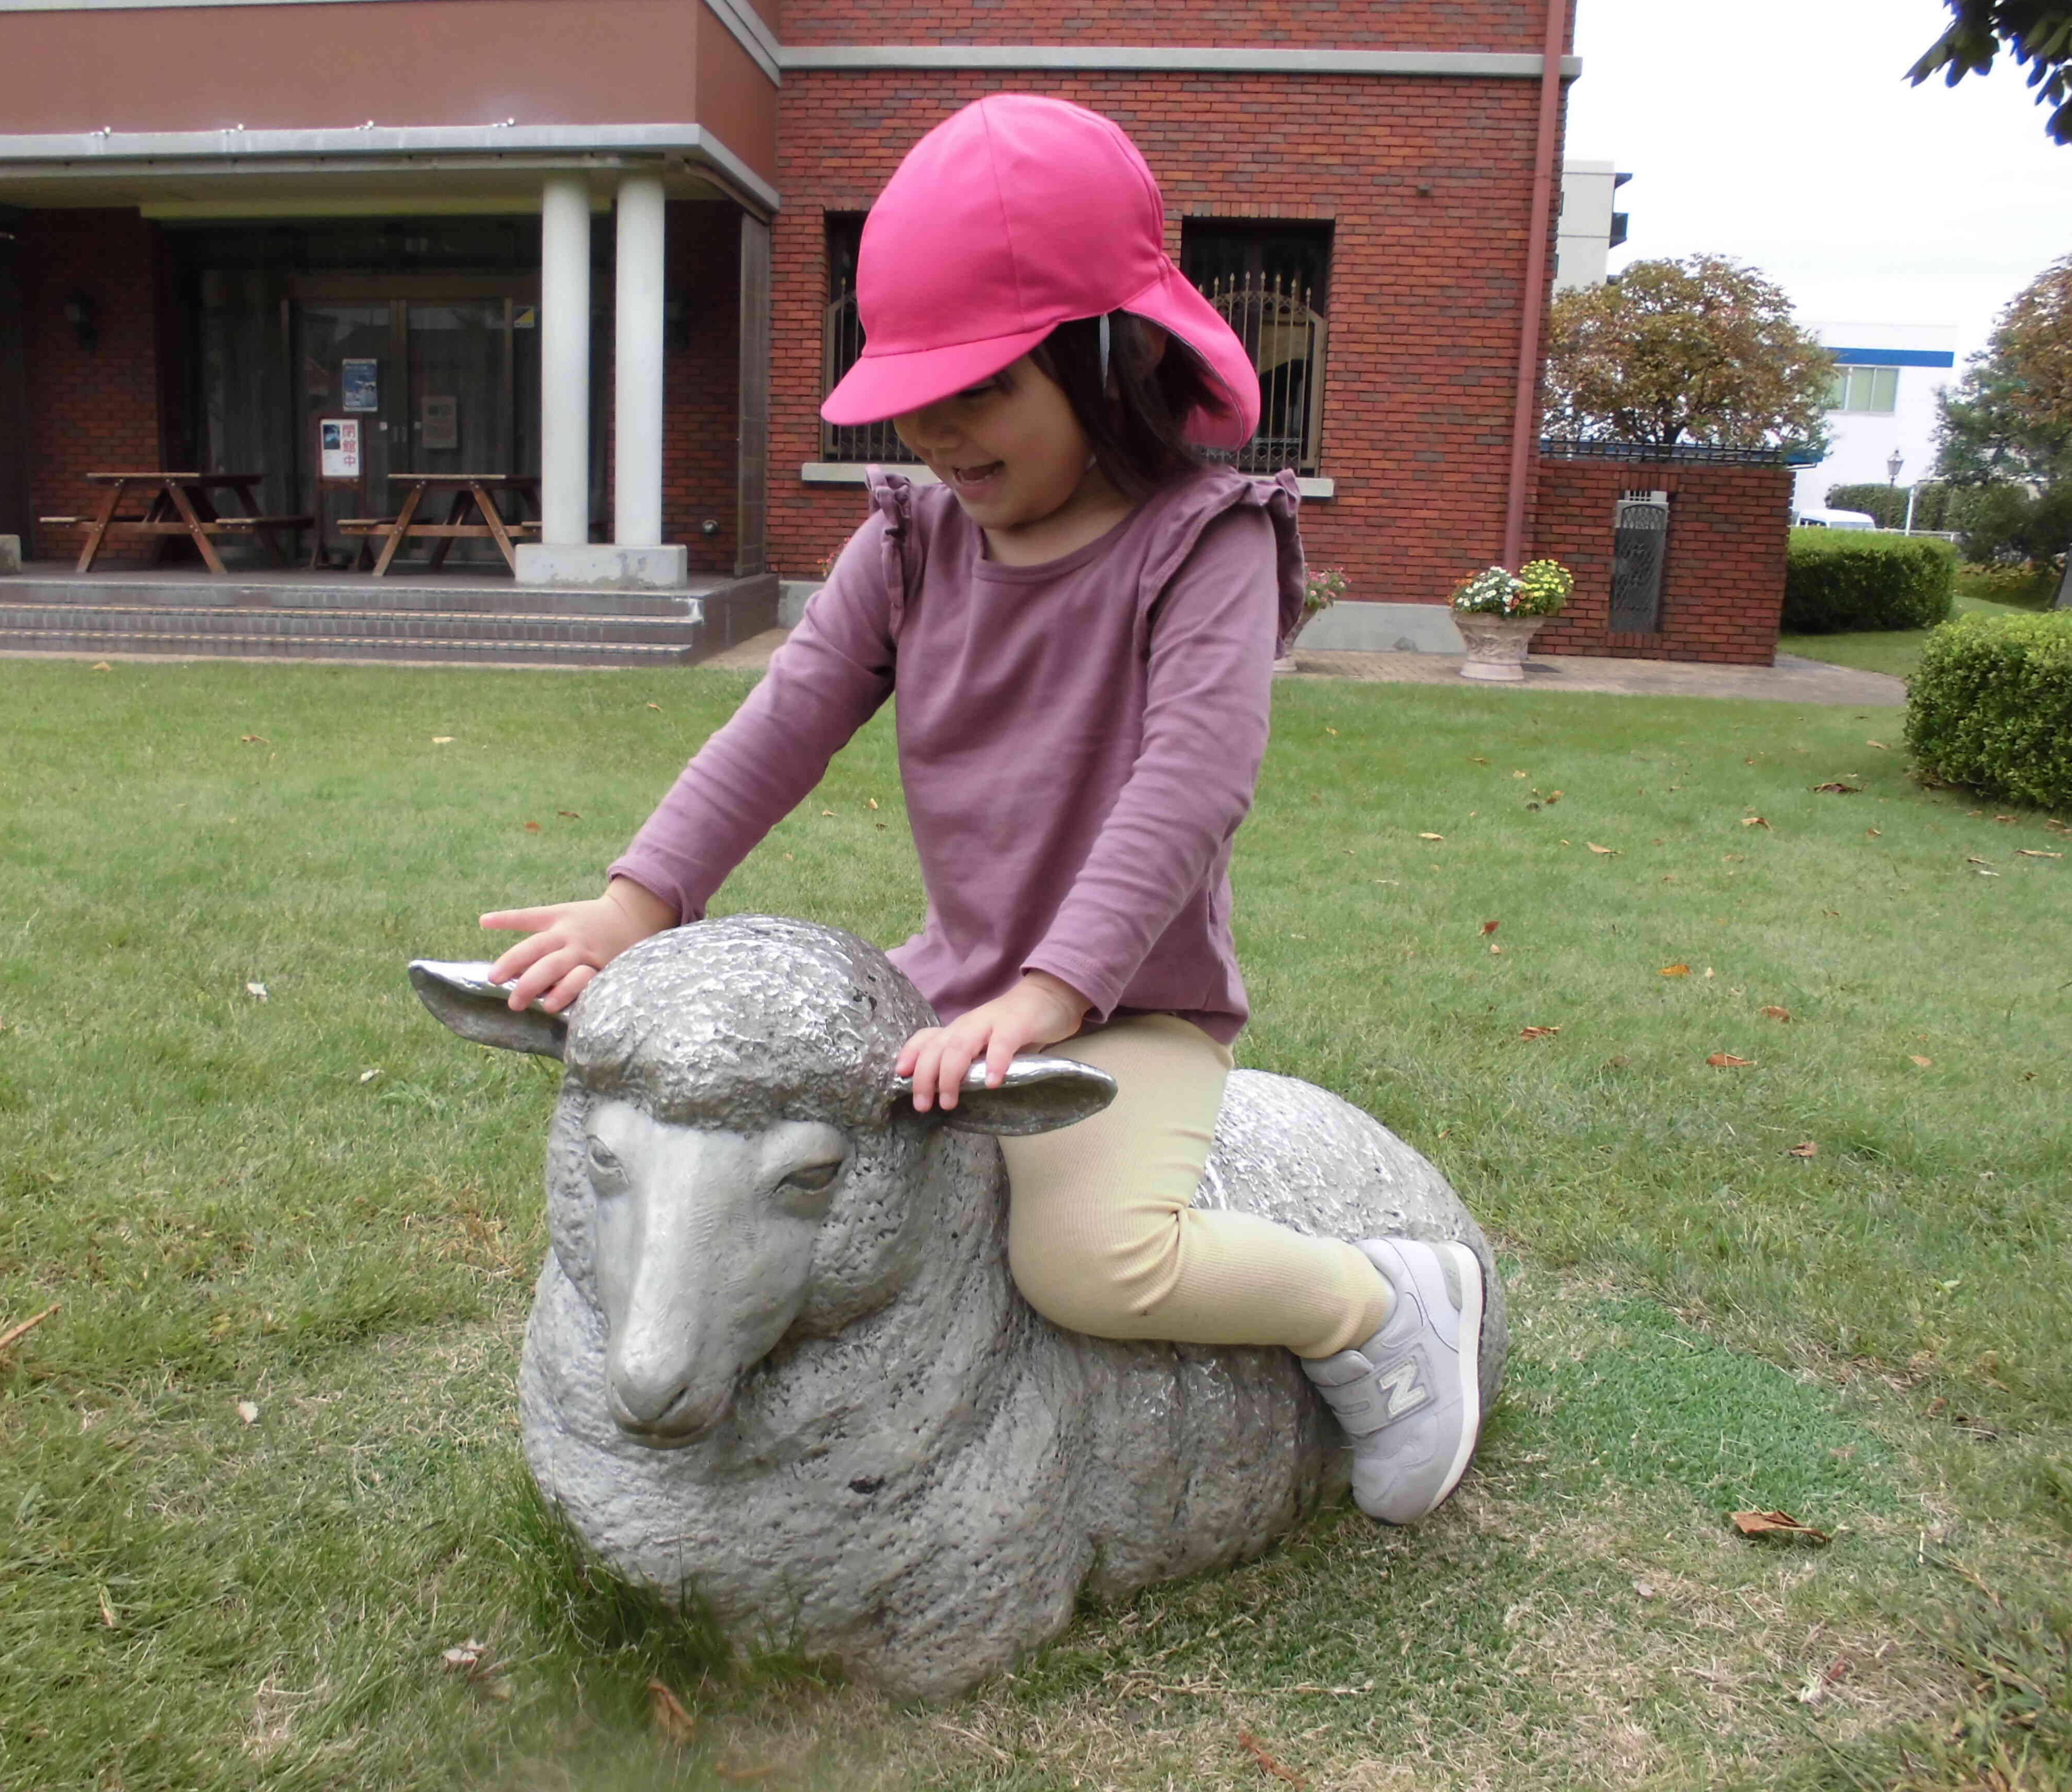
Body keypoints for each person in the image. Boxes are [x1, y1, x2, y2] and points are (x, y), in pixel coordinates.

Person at [481, 94, 1484, 1524]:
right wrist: (639, 899)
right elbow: (785, 723)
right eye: (914, 390)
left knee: (1090, 1265)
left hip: (1126, 1010)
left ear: (1112, 354)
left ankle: (1374, 1308)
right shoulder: (905, 541)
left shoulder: (1206, 549)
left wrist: (1060, 993)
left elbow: (1188, 784)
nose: (938, 429)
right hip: (947, 994)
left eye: (984, 388)